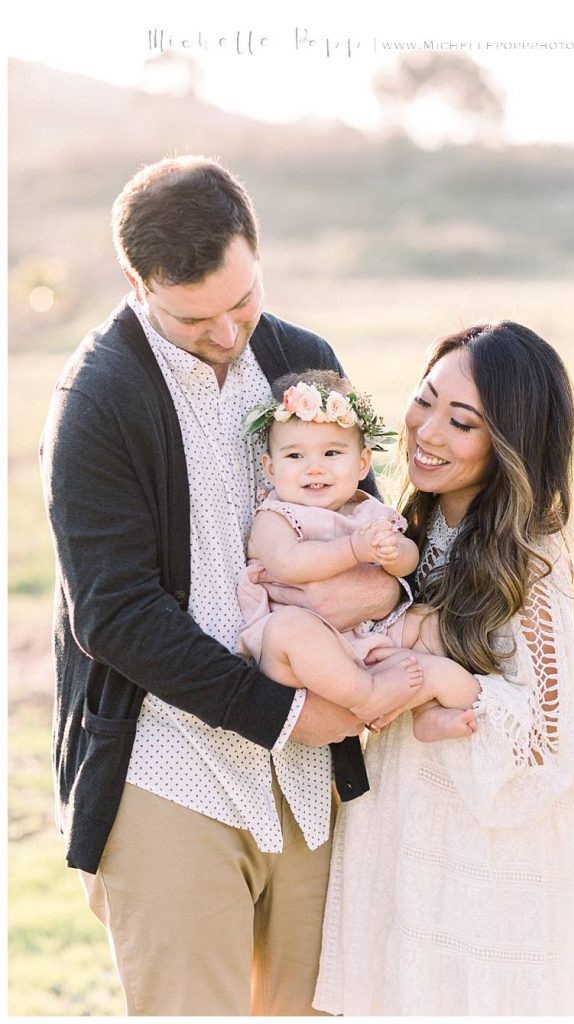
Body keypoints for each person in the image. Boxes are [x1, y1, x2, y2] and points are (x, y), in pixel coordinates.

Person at [39, 155, 408, 1016]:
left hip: (312, 781)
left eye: (242, 300)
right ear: (138, 281)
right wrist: (283, 712)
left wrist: (380, 595)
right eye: (195, 316)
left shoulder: (302, 360)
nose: (228, 331)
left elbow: (375, 526)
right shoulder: (98, 399)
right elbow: (116, 615)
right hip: (166, 768)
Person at [314, 321, 574, 1016]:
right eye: (425, 400)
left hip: (484, 863)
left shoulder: (529, 564)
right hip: (398, 829)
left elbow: (546, 749)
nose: (429, 431)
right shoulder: (403, 537)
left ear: (510, 443)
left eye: (463, 422)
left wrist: (451, 684)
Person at [237, 368, 480, 730]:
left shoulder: (367, 509)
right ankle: (368, 697)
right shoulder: (276, 515)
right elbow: (289, 564)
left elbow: (408, 559)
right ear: (270, 469)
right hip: (304, 658)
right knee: (289, 629)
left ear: (362, 463)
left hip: (367, 637)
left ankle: (424, 711)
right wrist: (353, 549)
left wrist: (394, 554)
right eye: (295, 457)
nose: (314, 468)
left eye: (332, 453)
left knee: (433, 625)